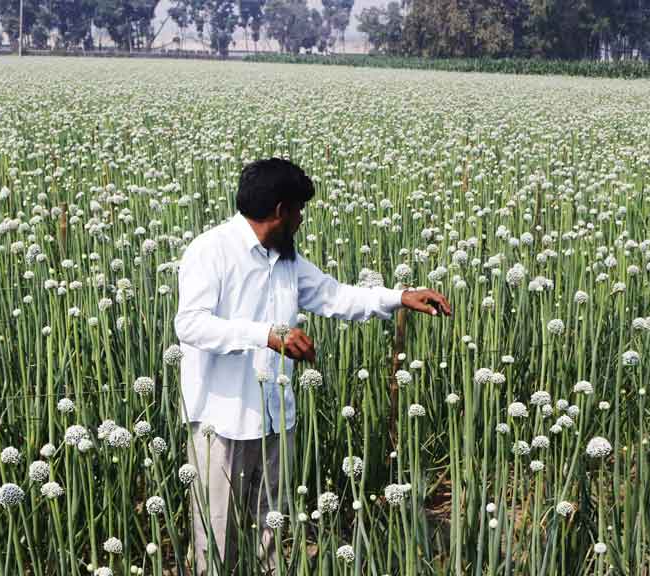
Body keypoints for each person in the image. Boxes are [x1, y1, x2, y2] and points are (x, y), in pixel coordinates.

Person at [174, 157, 451, 575]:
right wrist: (266, 335)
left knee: (269, 533)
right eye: (300, 210)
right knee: (216, 542)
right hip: (221, 422)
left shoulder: (285, 259)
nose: (302, 220)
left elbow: (333, 296)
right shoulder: (211, 251)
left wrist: (399, 297)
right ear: (281, 211)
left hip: (273, 420)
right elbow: (190, 325)